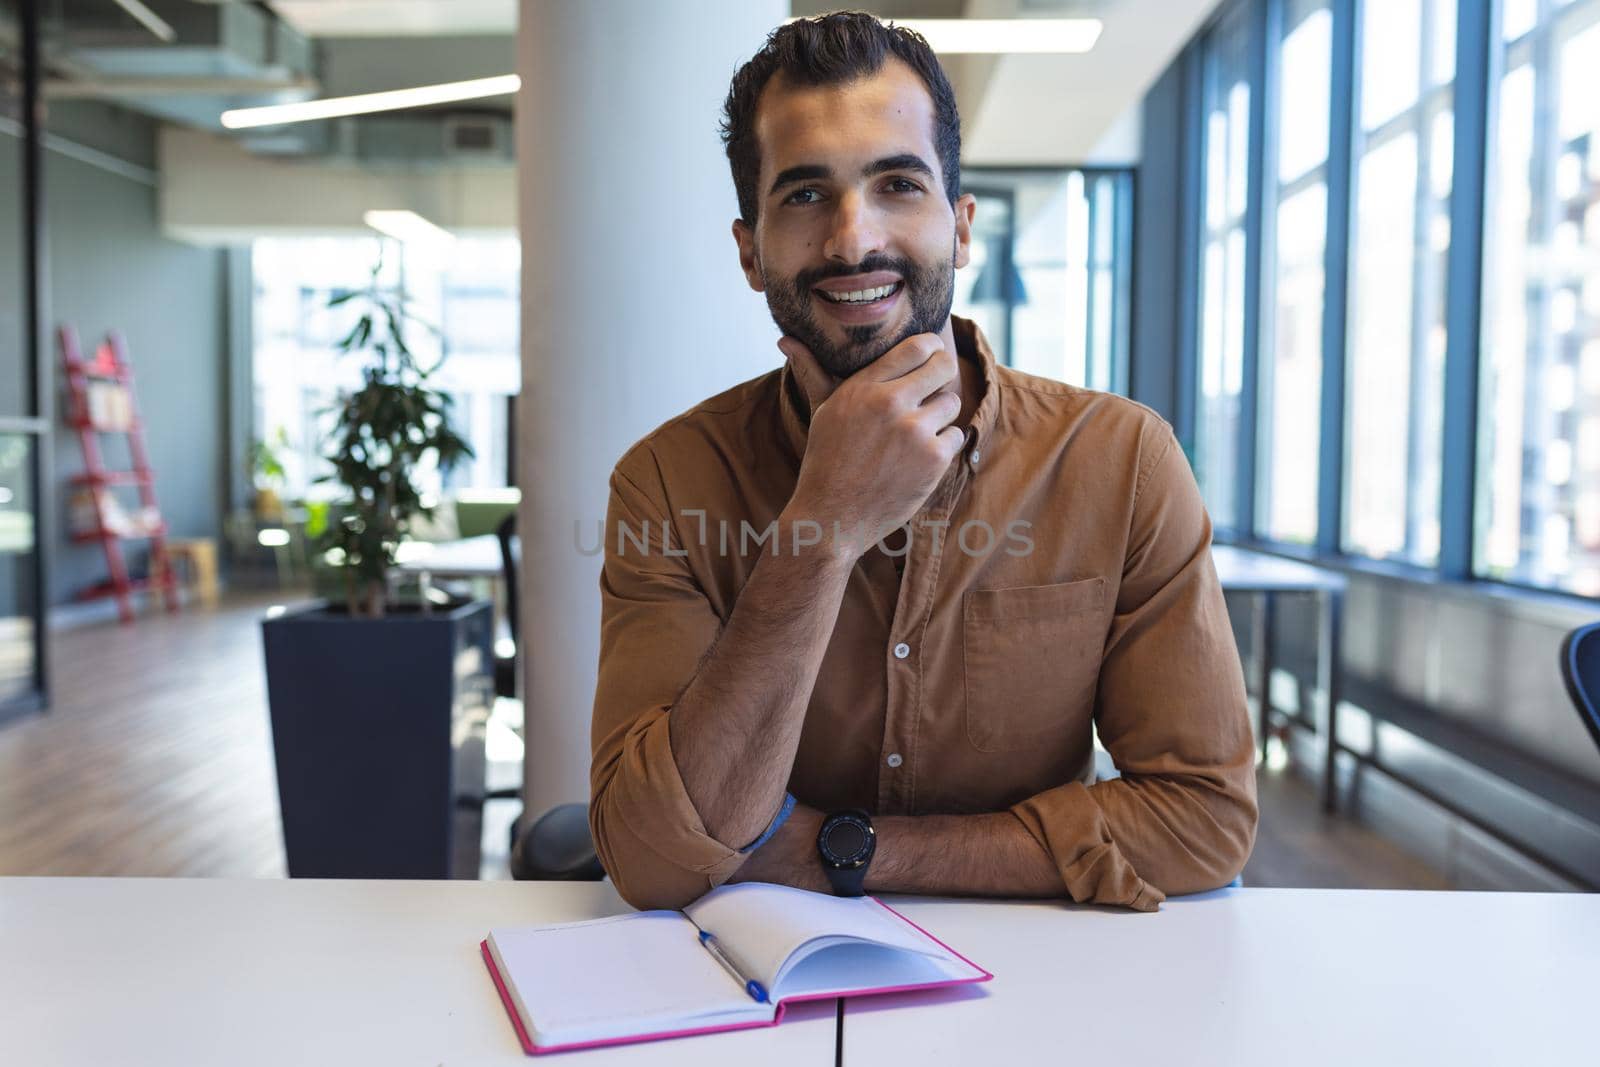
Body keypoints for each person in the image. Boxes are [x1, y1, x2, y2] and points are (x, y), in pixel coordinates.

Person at [588, 12, 1256, 912]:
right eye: (804, 195)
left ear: (962, 226)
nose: (854, 239)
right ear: (749, 250)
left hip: (1043, 993)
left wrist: (843, 852)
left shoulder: (1121, 459)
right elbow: (655, 860)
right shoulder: (666, 483)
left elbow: (1202, 819)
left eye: (898, 184)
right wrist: (821, 529)